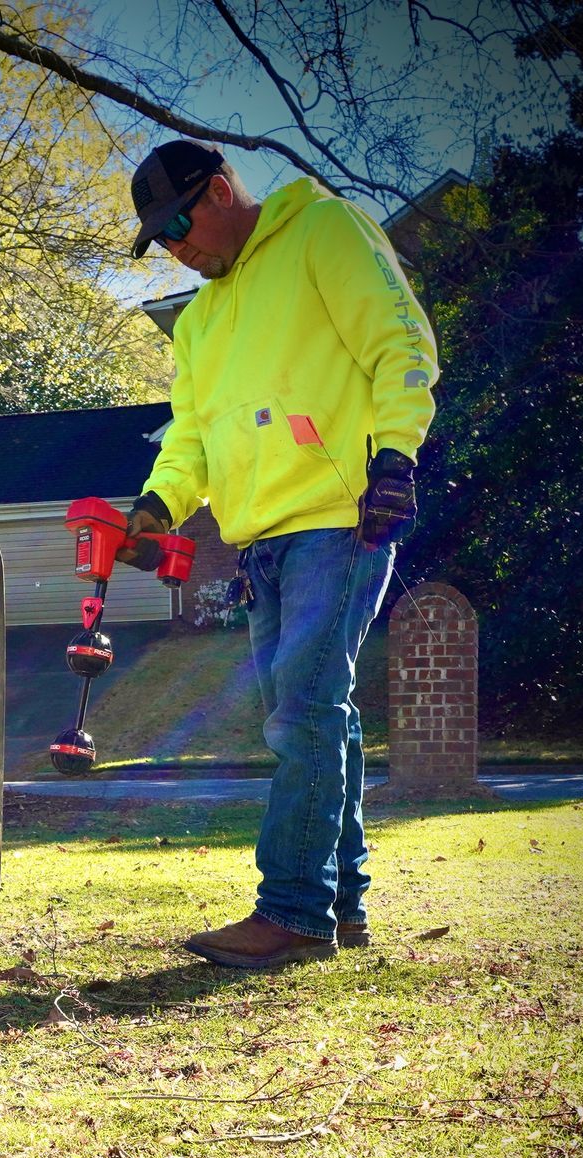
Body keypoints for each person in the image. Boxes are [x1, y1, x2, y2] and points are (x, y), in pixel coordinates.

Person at [122, 140, 439, 969]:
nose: (173, 247)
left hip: (341, 521)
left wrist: (395, 460)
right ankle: (343, 905)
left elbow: (401, 346)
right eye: (159, 238)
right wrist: (159, 506)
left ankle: (293, 912)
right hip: (259, 544)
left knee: (303, 712)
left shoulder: (325, 230)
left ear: (220, 192)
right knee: (317, 715)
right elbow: (191, 436)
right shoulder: (198, 322)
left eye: (178, 224)